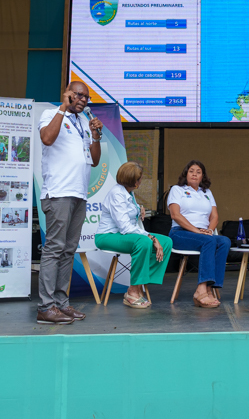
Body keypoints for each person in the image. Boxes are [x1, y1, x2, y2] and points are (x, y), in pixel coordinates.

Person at [35, 80, 103, 325]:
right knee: (54, 249)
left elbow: (94, 161)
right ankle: (45, 306)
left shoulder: (84, 122)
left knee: (68, 250)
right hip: (59, 192)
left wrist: (95, 135)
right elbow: (47, 138)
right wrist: (62, 108)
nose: (83, 100)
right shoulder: (51, 114)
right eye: (79, 95)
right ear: (67, 94)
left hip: (79, 194)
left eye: (87, 97)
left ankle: (61, 304)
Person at [94, 161, 172, 309]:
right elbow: (124, 227)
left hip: (123, 235)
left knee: (166, 242)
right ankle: (133, 291)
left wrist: (139, 209)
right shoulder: (117, 194)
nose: (141, 181)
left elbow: (128, 215)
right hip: (107, 236)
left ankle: (142, 281)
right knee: (143, 242)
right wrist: (151, 237)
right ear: (135, 181)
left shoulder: (129, 192)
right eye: (140, 178)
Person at [166, 160, 230, 308]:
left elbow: (214, 216)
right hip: (180, 233)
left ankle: (209, 288)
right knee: (209, 241)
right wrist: (196, 230)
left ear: (203, 176)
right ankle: (200, 290)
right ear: (186, 174)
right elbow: (175, 215)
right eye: (191, 171)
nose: (194, 174)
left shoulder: (207, 192)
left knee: (224, 241)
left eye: (198, 172)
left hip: (202, 234)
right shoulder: (177, 189)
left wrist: (209, 230)